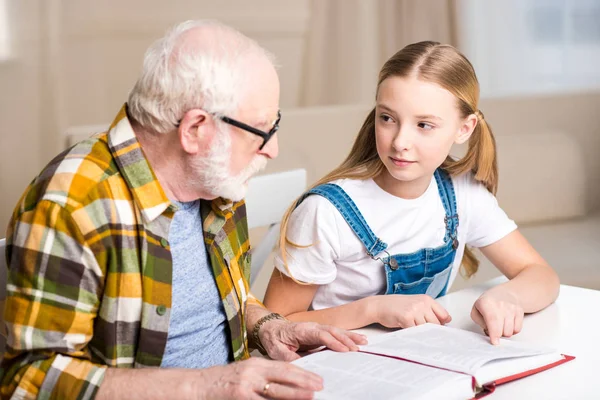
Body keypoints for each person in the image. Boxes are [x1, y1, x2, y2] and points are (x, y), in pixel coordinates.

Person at [0, 20, 367, 400]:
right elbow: (30, 381)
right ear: (194, 129)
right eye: (261, 131)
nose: (271, 149)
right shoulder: (72, 205)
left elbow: (216, 305)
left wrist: (269, 328)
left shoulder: (215, 182)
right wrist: (203, 386)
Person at [263, 41, 560, 346]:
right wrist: (372, 309)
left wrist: (507, 295)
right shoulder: (325, 212)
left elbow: (541, 275)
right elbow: (273, 326)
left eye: (424, 125)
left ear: (464, 129)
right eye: (388, 118)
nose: (400, 141)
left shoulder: (462, 193)